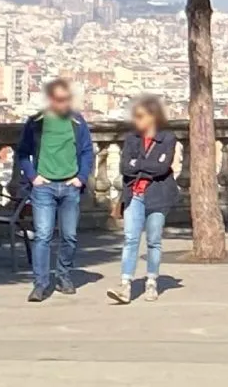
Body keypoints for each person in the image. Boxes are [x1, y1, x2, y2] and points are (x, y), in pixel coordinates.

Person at [14, 77, 95, 302]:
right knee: (43, 236)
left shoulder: (77, 123)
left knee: (69, 236)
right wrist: (33, 176)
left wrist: (80, 178)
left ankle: (63, 275)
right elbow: (22, 152)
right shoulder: (36, 122)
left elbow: (87, 151)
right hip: (44, 187)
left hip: (70, 185)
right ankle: (40, 284)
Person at [110, 95, 178, 303]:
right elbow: (125, 167)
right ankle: (125, 283)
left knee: (153, 240)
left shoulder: (167, 138)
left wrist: (139, 165)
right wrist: (146, 165)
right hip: (134, 194)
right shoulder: (132, 138)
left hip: (158, 195)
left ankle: (151, 282)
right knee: (130, 239)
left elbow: (162, 167)